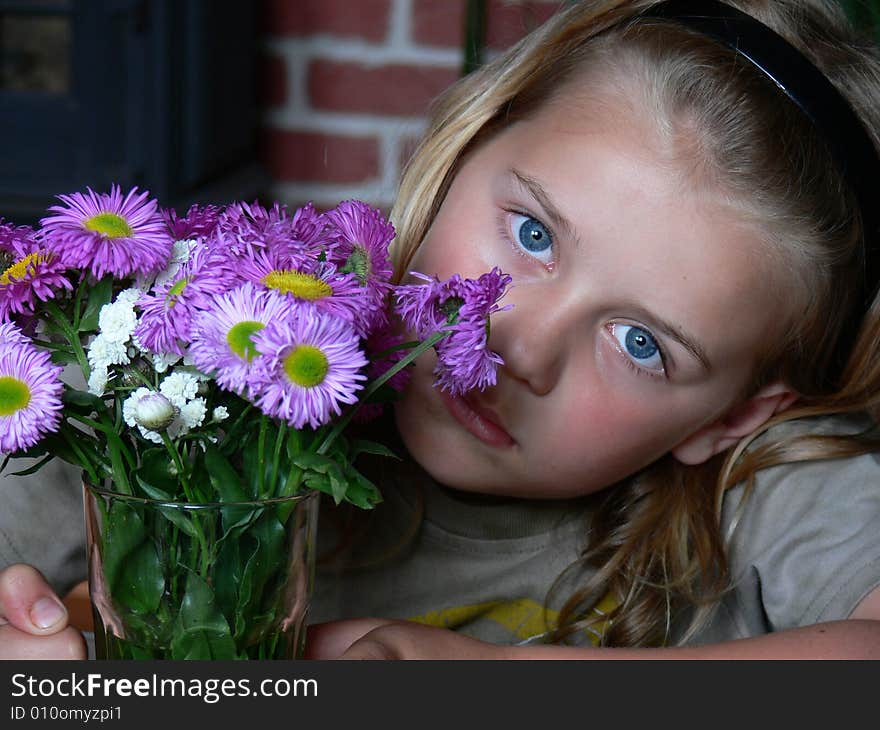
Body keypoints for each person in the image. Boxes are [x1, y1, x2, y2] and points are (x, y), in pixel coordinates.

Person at [3, 0, 880, 660]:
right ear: (458, 148)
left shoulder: (765, 490)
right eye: (533, 233)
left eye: (641, 343)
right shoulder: (167, 392)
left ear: (731, 416)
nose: (517, 347)